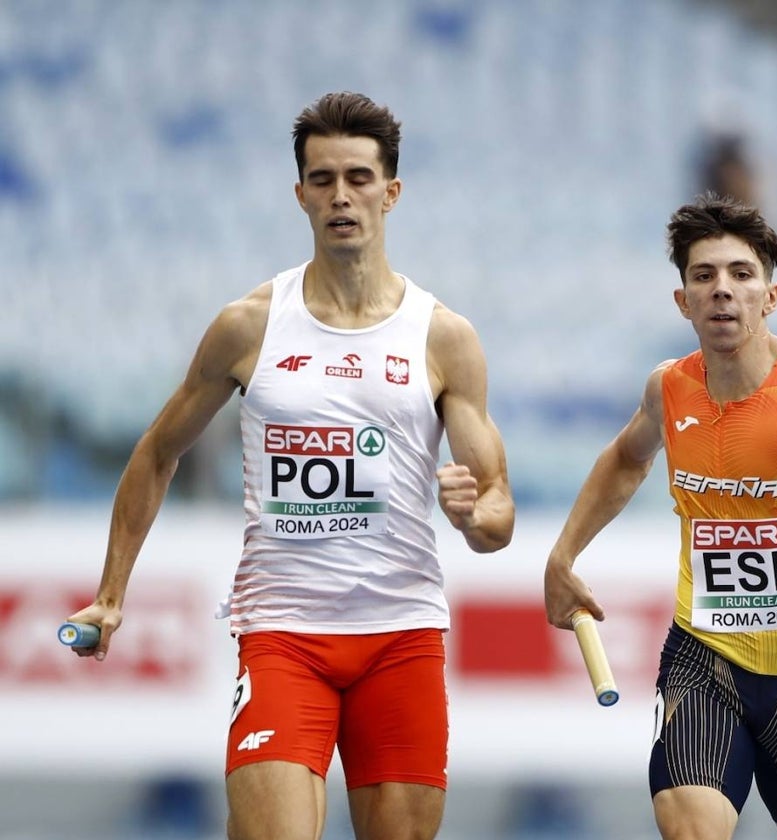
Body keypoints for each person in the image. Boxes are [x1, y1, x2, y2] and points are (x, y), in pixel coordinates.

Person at [64, 91, 515, 840]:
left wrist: (474, 517)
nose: (342, 196)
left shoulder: (442, 338)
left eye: (360, 178)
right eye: (323, 179)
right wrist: (111, 595)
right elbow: (157, 452)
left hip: (400, 634)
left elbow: (497, 510)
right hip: (283, 635)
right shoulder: (248, 326)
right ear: (300, 193)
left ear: (391, 192)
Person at [544, 193, 777, 840]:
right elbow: (625, 461)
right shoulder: (668, 387)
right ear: (682, 300)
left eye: (741, 275)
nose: (723, 290)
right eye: (704, 276)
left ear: (771, 296)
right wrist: (563, 555)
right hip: (705, 658)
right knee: (688, 827)